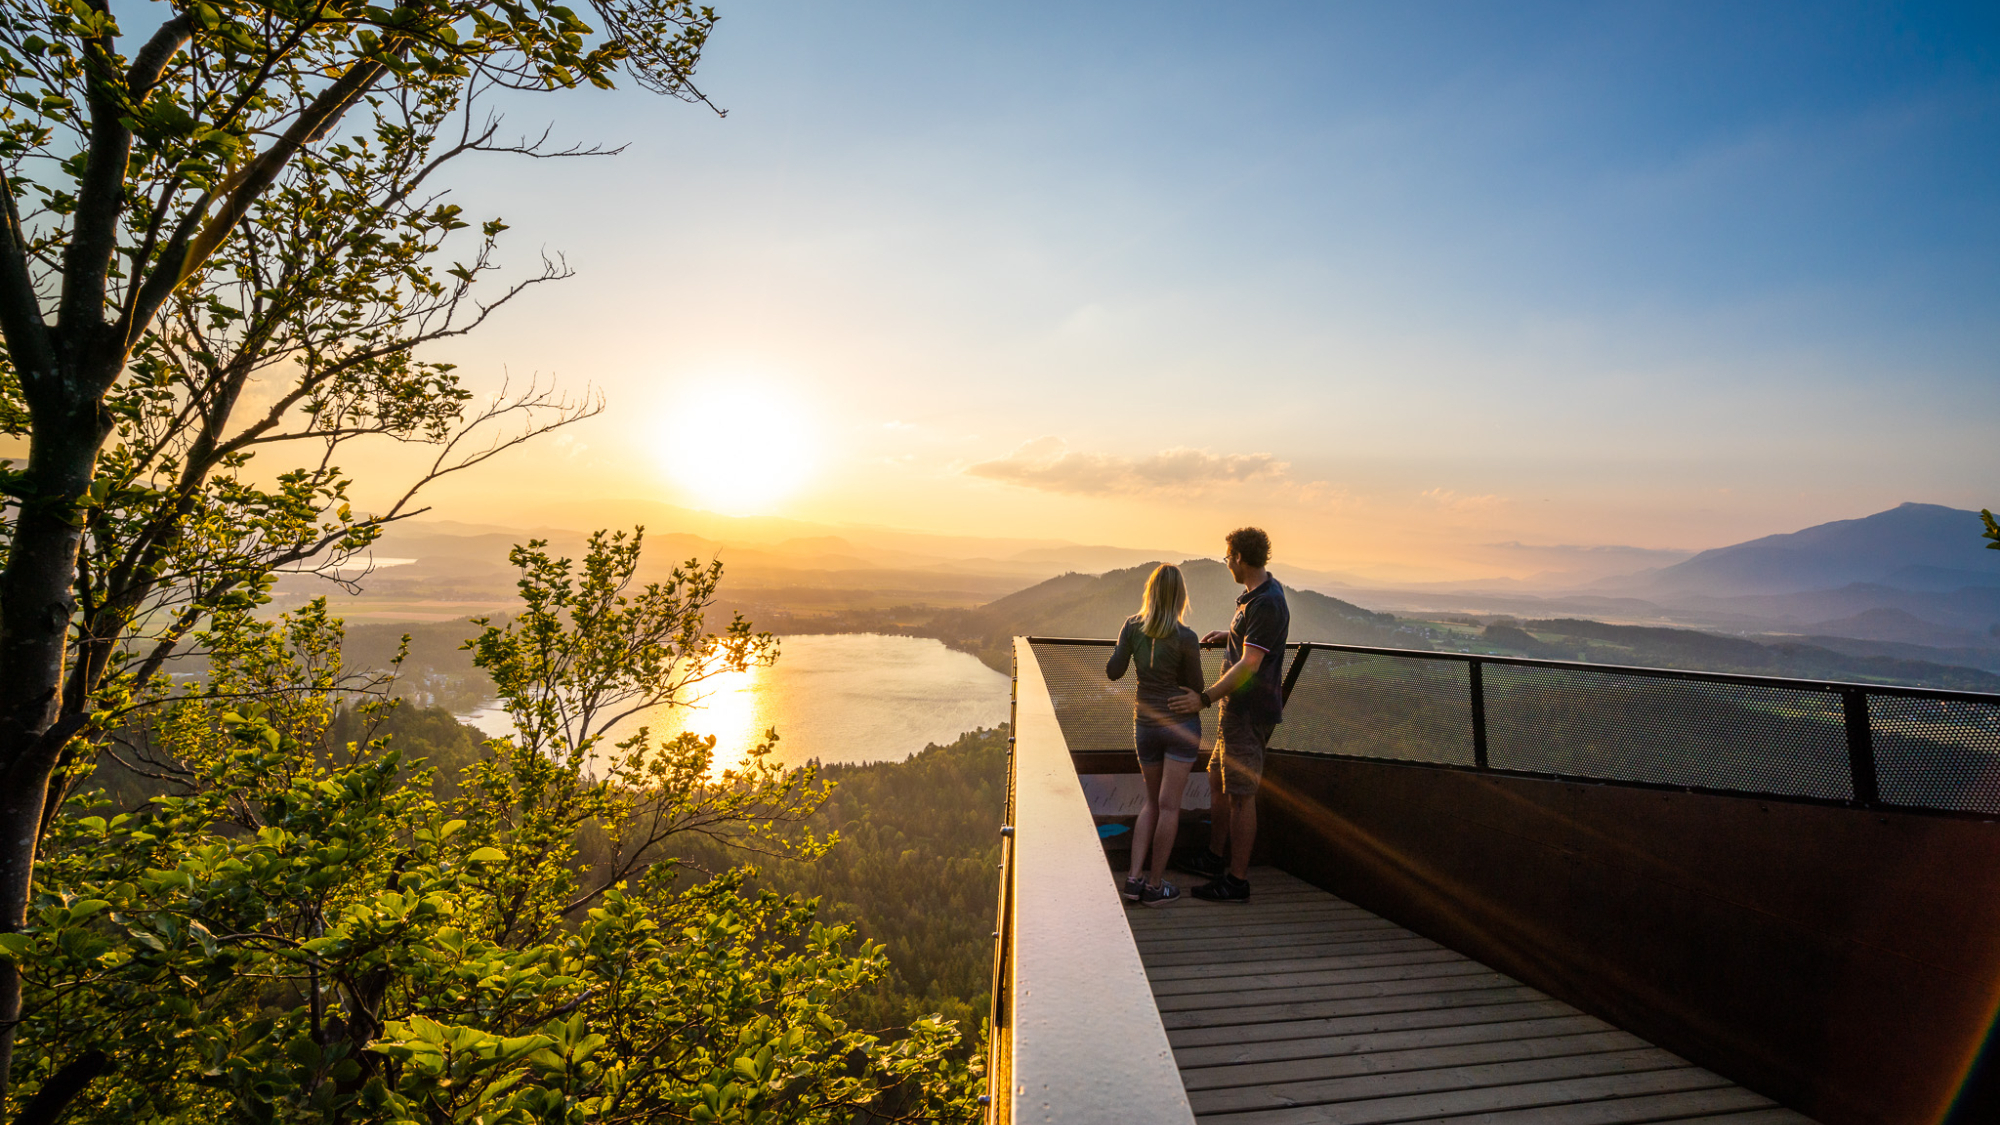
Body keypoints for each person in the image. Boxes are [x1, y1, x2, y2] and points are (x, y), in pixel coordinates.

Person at [1171, 527, 1289, 903]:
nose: (1226, 564)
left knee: (1241, 794)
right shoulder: (1258, 597)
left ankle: (1237, 881)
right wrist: (1231, 636)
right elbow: (1253, 646)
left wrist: (1204, 698)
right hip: (1235, 711)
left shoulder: (1266, 602)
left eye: (1227, 558)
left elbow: (1250, 666)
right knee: (1219, 782)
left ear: (1239, 557)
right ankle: (1213, 857)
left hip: (1248, 712)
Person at [1105, 564, 1206, 908]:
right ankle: (1155, 885)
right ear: (1180, 597)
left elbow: (1114, 671)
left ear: (1149, 592)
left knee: (1151, 802)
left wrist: (1125, 645)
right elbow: (1197, 688)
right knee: (1169, 807)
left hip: (1145, 725)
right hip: (1180, 726)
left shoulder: (1132, 627)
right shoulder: (1186, 637)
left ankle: (1132, 880)